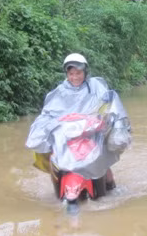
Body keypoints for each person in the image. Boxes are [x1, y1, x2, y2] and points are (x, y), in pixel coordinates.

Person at [25, 53, 131, 187]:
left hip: (92, 132)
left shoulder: (96, 86)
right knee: (55, 158)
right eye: (71, 74)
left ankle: (111, 187)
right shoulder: (60, 91)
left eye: (78, 73)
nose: (74, 77)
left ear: (85, 72)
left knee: (102, 164)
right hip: (68, 133)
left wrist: (105, 120)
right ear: (67, 74)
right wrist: (45, 126)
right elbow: (48, 113)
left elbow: (109, 102)